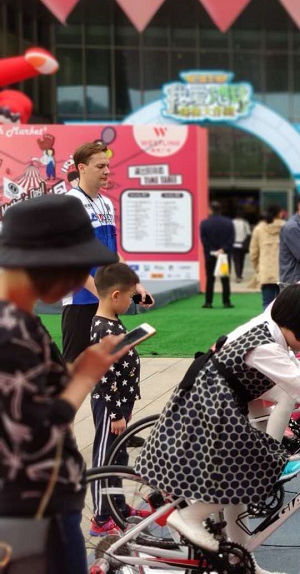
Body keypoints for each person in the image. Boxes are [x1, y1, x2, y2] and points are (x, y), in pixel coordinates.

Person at [135, 284, 300, 574]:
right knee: (247, 469)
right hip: (211, 403)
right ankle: (190, 518)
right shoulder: (266, 346)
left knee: (238, 492)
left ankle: (242, 560)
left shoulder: (273, 331)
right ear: (298, 324)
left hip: (220, 399)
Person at [0, 194, 130, 574]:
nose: (80, 280)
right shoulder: (12, 332)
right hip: (33, 512)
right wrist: (85, 377)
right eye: (77, 266)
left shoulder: (18, 320)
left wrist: (82, 372)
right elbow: (36, 430)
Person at [61, 141, 151, 363]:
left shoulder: (107, 204)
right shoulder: (70, 204)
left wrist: (135, 284)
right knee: (75, 368)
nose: (107, 171)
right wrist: (102, 296)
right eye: (100, 166)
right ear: (82, 168)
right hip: (80, 300)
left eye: (108, 165)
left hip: (105, 298)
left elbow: (112, 254)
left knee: (107, 366)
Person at [87, 263, 144, 536]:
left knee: (118, 456)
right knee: (105, 459)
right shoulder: (103, 328)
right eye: (130, 297)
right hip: (110, 404)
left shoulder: (111, 321)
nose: (132, 302)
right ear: (115, 296)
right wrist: (116, 414)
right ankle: (100, 518)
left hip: (121, 401)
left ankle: (117, 505)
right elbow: (104, 375)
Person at [200, 200, 234, 309]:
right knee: (225, 279)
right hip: (224, 255)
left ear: (210, 210)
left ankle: (208, 302)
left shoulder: (204, 223)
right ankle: (226, 302)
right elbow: (231, 239)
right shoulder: (228, 222)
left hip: (210, 255)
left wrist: (212, 250)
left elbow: (204, 240)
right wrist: (223, 249)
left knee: (210, 279)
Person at [250, 205, 285, 309]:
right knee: (284, 304)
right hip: (284, 271)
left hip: (266, 272)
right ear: (280, 214)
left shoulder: (259, 229)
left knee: (267, 303)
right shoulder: (287, 227)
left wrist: (258, 269)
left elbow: (254, 253)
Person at [231, 210, 252, 283]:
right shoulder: (245, 223)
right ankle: (240, 275)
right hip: (243, 244)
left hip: (234, 244)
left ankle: (237, 275)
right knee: (241, 260)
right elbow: (248, 233)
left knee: (236, 260)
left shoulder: (232, 222)